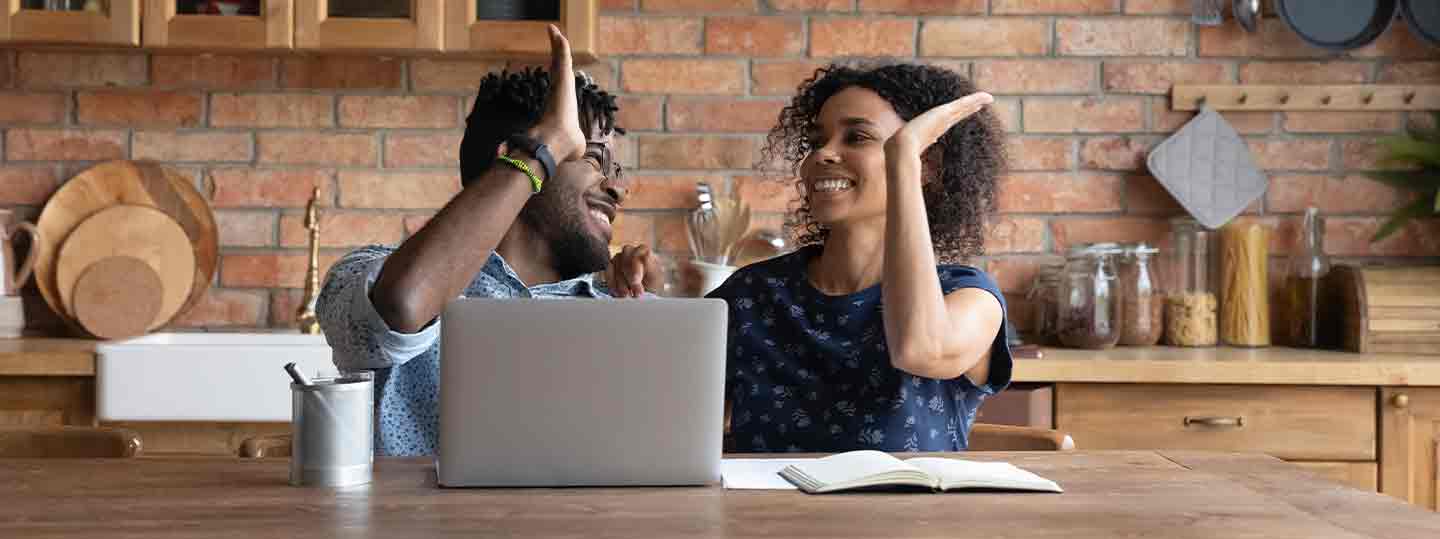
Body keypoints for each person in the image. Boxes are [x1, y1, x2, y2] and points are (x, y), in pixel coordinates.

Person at [622, 62, 1012, 453]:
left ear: (929, 165)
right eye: (816, 141)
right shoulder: (753, 294)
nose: (822, 154)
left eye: (857, 137)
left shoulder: (969, 297)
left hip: (910, 516)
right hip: (760, 515)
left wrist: (904, 156)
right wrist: (646, 310)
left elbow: (919, 348)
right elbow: (661, 414)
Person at [316, 26, 660, 456]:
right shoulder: (370, 275)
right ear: (513, 157)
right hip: (408, 525)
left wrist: (649, 321)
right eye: (593, 158)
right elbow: (403, 304)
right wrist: (546, 145)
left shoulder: (617, 304)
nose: (617, 188)